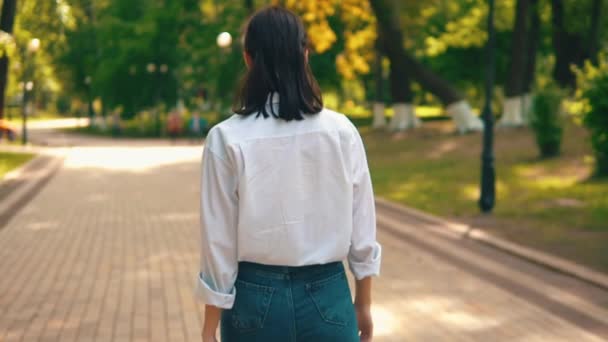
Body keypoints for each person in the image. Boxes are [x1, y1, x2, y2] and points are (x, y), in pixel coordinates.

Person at [195, 6, 381, 342]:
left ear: (248, 59)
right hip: (329, 297)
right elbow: (362, 225)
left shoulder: (225, 138)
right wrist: (364, 303)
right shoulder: (341, 132)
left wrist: (209, 326)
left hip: (252, 302)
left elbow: (218, 242)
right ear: (305, 55)